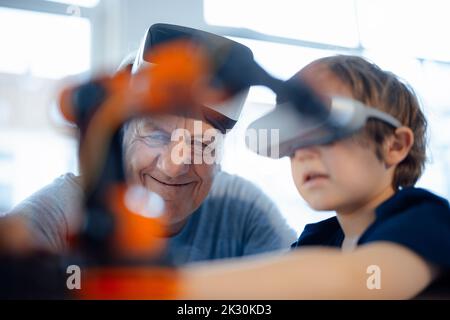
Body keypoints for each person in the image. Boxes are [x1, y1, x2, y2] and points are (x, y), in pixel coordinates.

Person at [4, 37, 296, 265]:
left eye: (201, 143)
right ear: (118, 136)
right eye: (157, 135)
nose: (175, 165)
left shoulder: (243, 208)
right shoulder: (61, 213)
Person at [179, 55, 450, 299]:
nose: (303, 154)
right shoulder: (318, 240)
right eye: (293, 141)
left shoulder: (426, 219)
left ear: (394, 145)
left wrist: (170, 288)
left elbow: (362, 280)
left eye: (327, 130)